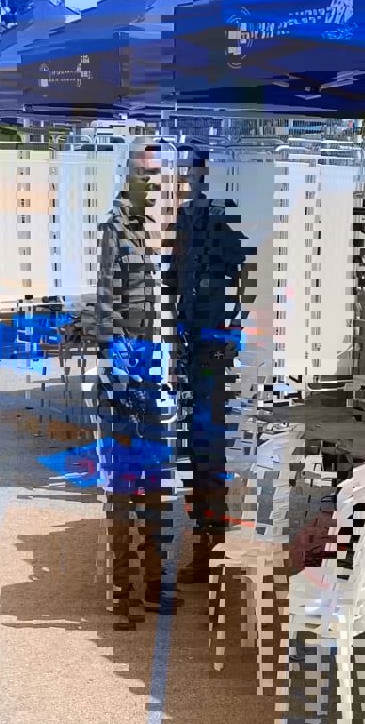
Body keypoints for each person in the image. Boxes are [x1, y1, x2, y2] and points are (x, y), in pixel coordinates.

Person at [97, 141, 186, 617]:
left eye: (156, 174)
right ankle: (123, 590)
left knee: (157, 483)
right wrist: (119, 373)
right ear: (128, 176)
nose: (151, 182)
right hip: (126, 372)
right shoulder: (114, 231)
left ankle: (154, 582)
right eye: (143, 173)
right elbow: (106, 304)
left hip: (157, 372)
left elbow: (169, 304)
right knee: (121, 486)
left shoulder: (161, 230)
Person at [171, 148, 256, 584]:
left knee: (210, 444)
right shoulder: (186, 219)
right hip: (194, 345)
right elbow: (173, 281)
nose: (188, 178)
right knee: (197, 444)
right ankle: (207, 543)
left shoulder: (229, 216)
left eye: (193, 171)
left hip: (216, 347)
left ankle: (214, 547)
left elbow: (251, 276)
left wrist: (235, 329)